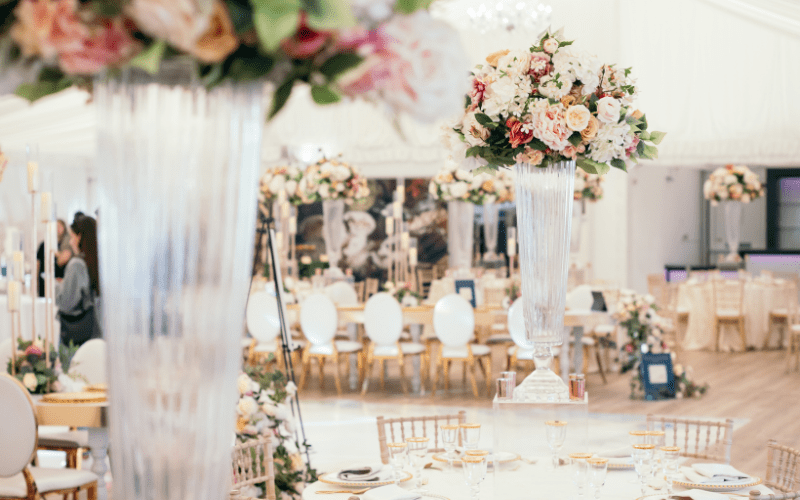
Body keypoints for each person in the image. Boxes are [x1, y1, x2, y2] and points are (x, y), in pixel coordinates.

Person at [56, 215, 101, 346]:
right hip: (94, 330)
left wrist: (56, 286)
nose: (70, 242)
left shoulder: (76, 264)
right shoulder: (94, 261)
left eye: (72, 237)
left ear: (80, 237)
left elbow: (66, 303)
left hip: (76, 336)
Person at [36, 219, 73, 297]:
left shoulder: (66, 245)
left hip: (59, 282)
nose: (57, 229)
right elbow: (37, 264)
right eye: (55, 227)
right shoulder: (43, 245)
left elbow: (61, 261)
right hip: (43, 283)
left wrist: (54, 250)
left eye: (59, 226)